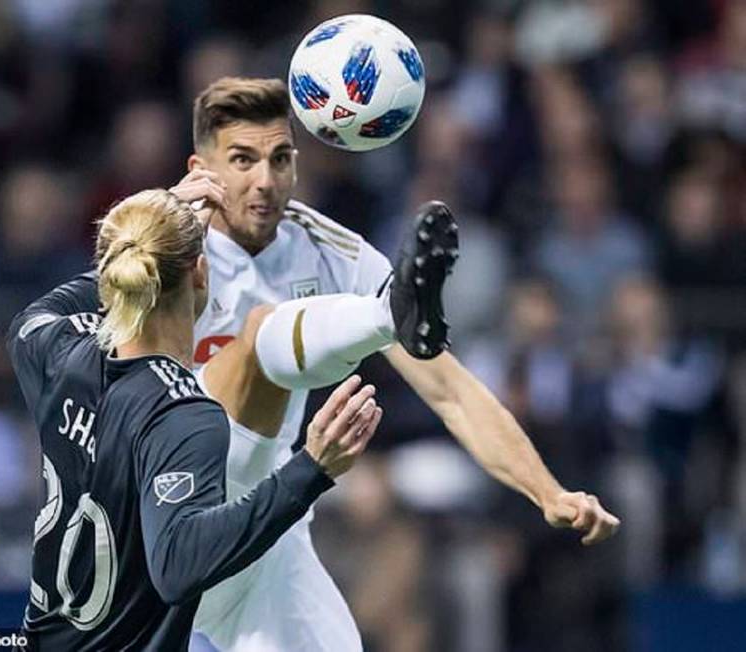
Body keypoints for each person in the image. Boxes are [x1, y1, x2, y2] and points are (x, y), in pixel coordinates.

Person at [161, 77, 622, 652]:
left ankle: (388, 314)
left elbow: (449, 389)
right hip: (162, 516)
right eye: (243, 160)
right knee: (261, 339)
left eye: (281, 159)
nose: (265, 180)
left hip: (267, 521)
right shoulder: (158, 245)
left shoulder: (331, 250)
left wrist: (547, 492)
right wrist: (163, 249)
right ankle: (382, 316)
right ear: (200, 168)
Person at [6, 189, 382, 651]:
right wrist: (312, 469)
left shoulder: (60, 352)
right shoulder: (182, 412)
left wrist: (140, 234)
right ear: (202, 274)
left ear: (110, 282)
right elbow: (179, 566)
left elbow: (30, 319)